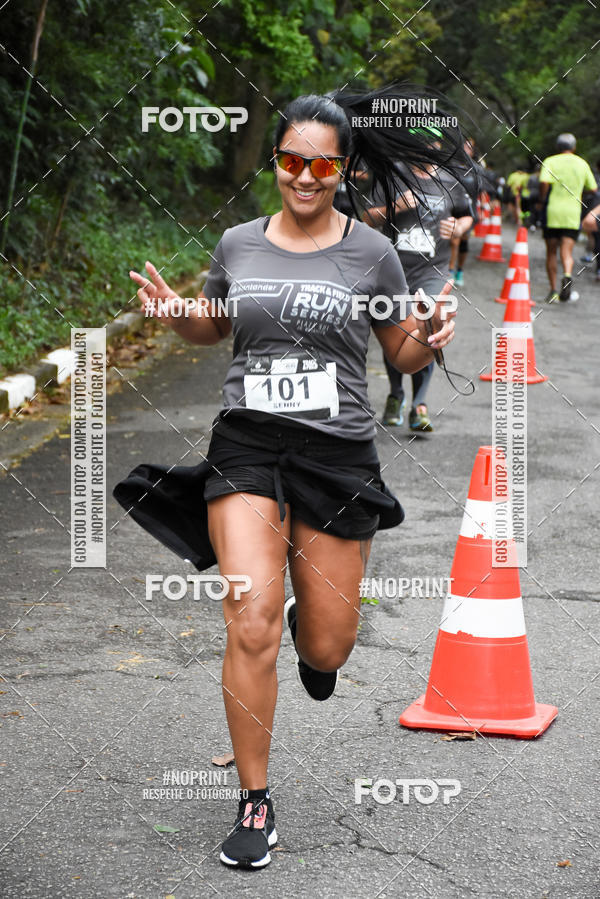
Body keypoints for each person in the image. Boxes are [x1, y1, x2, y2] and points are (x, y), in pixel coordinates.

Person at [113, 87, 467, 871]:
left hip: (337, 454)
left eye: (321, 164)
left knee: (330, 646)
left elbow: (399, 352)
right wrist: (176, 312)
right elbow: (215, 322)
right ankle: (255, 802)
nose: (303, 177)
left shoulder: (370, 253)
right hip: (248, 446)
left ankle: (316, 636)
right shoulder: (239, 243)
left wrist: (431, 338)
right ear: (275, 160)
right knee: (250, 616)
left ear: (341, 169)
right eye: (289, 161)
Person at [363, 126, 473, 432]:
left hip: (434, 271)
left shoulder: (451, 179)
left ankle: (420, 404)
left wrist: (460, 228)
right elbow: (366, 217)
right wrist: (394, 207)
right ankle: (396, 395)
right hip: (393, 269)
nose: (424, 148)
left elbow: (466, 215)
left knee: (430, 327)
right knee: (396, 334)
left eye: (430, 143)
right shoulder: (392, 174)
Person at [539, 133, 597, 303]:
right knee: (567, 250)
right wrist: (579, 191)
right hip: (572, 213)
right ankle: (567, 275)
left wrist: (542, 200)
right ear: (574, 147)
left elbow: (543, 182)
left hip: (553, 212)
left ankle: (553, 291)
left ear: (558, 146)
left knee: (551, 251)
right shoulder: (582, 163)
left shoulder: (550, 161)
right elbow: (593, 189)